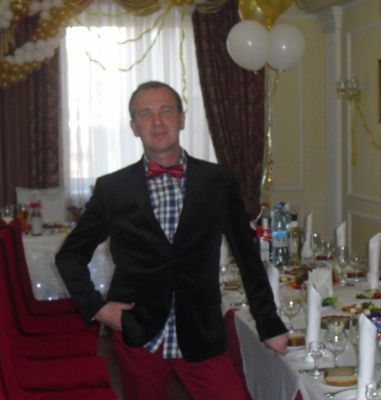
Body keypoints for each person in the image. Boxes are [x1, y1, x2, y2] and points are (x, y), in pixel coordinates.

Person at [55, 81, 288, 400]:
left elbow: (247, 256)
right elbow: (69, 256)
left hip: (201, 331)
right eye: (145, 114)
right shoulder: (113, 189)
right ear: (134, 126)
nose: (157, 121)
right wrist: (97, 308)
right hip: (137, 331)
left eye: (166, 110)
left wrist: (269, 323)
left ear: (181, 118)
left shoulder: (217, 181)